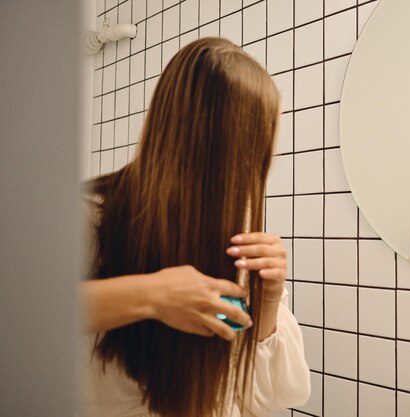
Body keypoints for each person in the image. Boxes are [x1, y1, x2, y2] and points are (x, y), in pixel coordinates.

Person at [81, 37, 310, 417]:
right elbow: (24, 316)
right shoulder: (92, 216)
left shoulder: (236, 242)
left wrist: (269, 300)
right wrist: (152, 295)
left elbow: (268, 397)